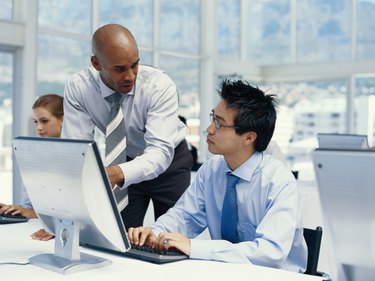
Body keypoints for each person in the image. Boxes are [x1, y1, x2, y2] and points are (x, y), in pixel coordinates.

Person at [128, 79, 308, 273]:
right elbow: (185, 215)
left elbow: (270, 253)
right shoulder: (212, 169)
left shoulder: (279, 182)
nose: (209, 129)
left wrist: (193, 247)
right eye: (213, 118)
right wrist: (154, 234)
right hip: (226, 272)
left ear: (249, 137)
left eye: (220, 124)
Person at [61, 24, 193, 230]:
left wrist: (115, 173)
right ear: (96, 63)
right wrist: (64, 218)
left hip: (170, 163)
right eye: (120, 69)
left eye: (135, 65)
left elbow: (159, 152)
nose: (130, 76)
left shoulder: (159, 86)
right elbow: (76, 151)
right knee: (120, 235)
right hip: (125, 159)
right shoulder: (79, 88)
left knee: (172, 240)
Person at [0, 93, 63, 241]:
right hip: (34, 227)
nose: (39, 127)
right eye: (36, 122)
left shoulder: (80, 156)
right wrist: (15, 210)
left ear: (63, 119)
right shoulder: (36, 156)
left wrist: (33, 214)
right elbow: (27, 205)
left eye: (44, 121)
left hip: (59, 232)